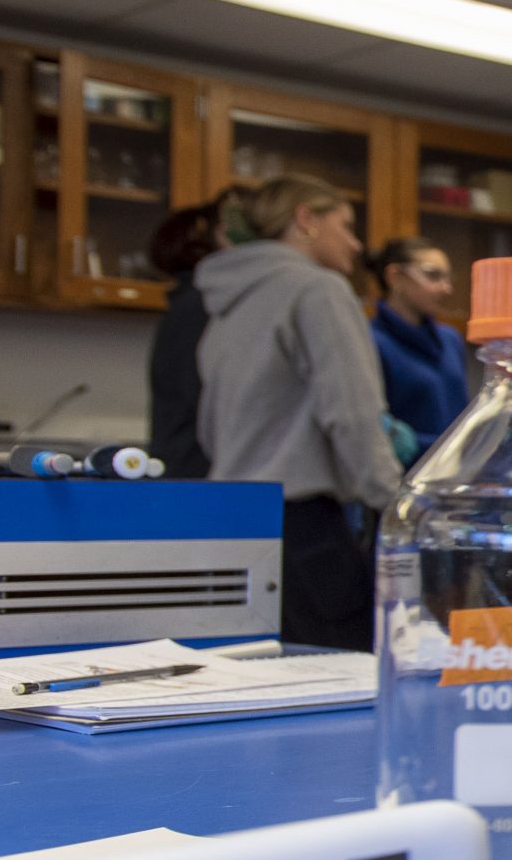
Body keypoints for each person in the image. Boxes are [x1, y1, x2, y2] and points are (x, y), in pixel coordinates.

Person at [195, 174, 402, 651]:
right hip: (307, 532)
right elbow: (353, 414)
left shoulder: (227, 306)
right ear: (305, 219)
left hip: (235, 528)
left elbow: (210, 430)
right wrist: (398, 506)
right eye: (346, 225)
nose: (355, 243)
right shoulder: (319, 290)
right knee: (337, 683)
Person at [145, 188, 240, 479]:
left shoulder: (194, 302)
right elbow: (209, 402)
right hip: (195, 479)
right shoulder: (203, 307)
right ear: (224, 235)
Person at [367, 236, 469, 458]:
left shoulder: (450, 339)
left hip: (455, 475)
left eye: (448, 278)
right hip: (404, 479)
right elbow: (372, 430)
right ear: (395, 276)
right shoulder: (371, 341)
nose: (446, 288)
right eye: (433, 275)